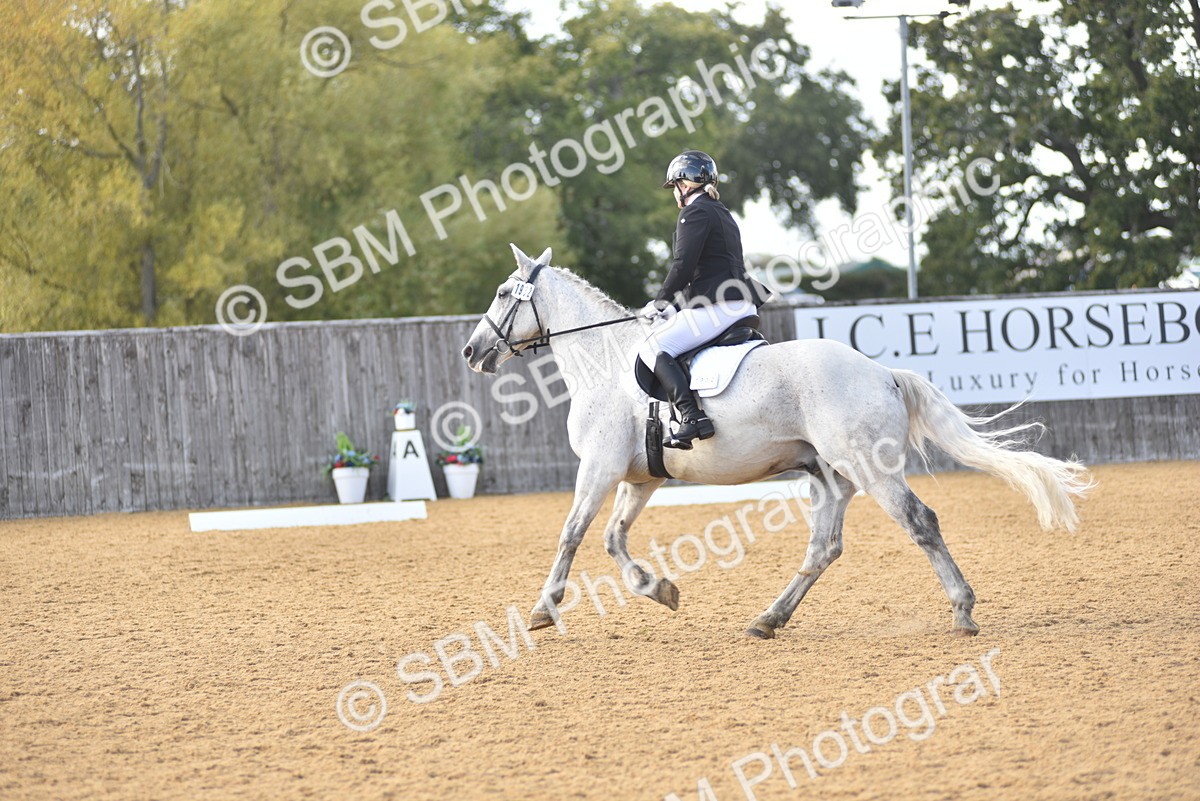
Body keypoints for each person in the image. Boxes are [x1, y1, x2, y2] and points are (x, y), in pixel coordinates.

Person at [639, 150, 771, 450]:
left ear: (686, 184)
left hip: (719, 307)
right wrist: (672, 305)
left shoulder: (694, 212)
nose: (675, 193)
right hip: (740, 302)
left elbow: (683, 265)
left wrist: (659, 302)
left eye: (675, 186)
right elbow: (708, 271)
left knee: (653, 347)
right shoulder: (721, 212)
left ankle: (691, 416)